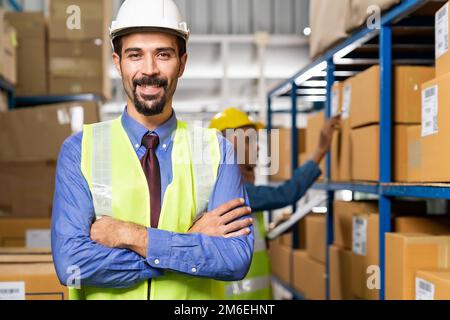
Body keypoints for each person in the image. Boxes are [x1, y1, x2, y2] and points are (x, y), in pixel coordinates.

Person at [51, 0, 254, 300]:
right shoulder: (79, 151)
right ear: (117, 62)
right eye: (135, 55)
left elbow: (235, 259)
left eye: (163, 54)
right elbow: (72, 265)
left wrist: (132, 237)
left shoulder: (216, 151)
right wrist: (188, 244)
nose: (149, 70)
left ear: (182, 63)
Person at [209, 107, 340, 299]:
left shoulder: (234, 185)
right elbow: (285, 194)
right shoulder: (233, 189)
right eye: (248, 141)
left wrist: (268, 231)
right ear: (225, 146)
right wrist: (320, 151)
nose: (257, 147)